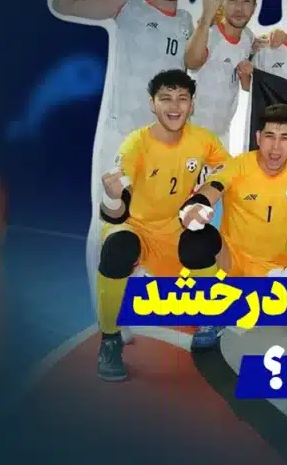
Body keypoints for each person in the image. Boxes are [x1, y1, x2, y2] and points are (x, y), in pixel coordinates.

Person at [50, 0, 197, 334]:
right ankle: (106, 319)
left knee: (147, 225)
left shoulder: (187, 22)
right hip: (121, 138)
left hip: (161, 144)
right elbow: (64, 4)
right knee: (109, 222)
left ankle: (128, 305)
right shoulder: (129, 5)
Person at [94, 70, 228, 381]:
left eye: (182, 98)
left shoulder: (203, 139)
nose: (174, 106)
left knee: (203, 238)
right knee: (117, 246)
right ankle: (110, 339)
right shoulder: (135, 144)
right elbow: (115, 213)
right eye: (165, 98)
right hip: (137, 228)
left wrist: (208, 192)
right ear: (152, 104)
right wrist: (112, 198)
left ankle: (209, 318)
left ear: (192, 105)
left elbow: (231, 167)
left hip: (176, 231)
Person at [178, 104, 287, 347]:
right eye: (269, 136)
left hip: (275, 267)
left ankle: (265, 296)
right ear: (258, 137)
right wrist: (196, 205)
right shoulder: (238, 165)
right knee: (195, 240)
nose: (275, 147)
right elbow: (214, 186)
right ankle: (211, 312)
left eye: (284, 138)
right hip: (230, 262)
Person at [184, 0, 258, 150]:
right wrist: (206, 15)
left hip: (222, 137)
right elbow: (192, 62)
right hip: (190, 133)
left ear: (254, 7)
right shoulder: (208, 33)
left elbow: (246, 85)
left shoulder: (248, 37)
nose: (239, 8)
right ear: (221, 3)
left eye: (246, 0)